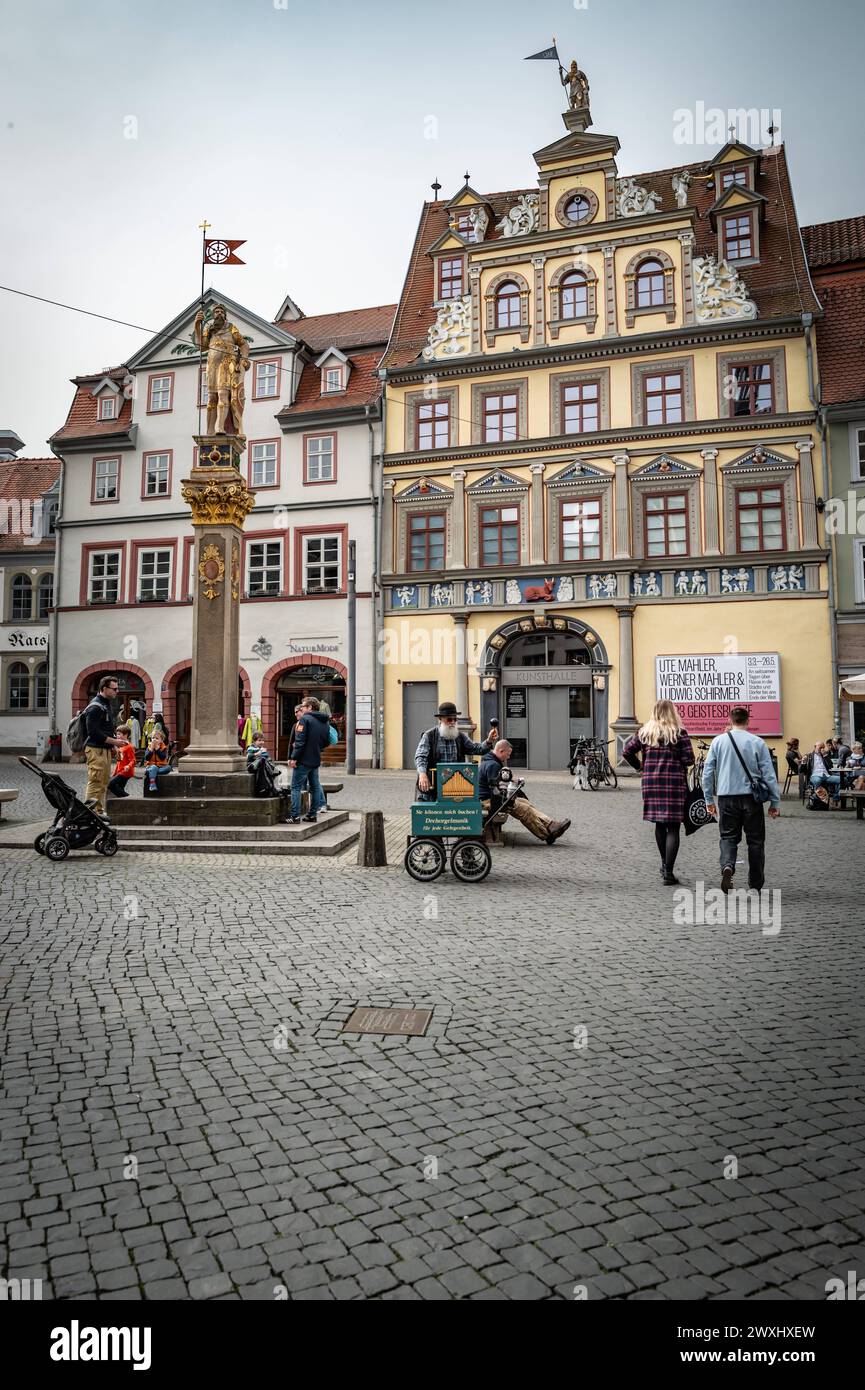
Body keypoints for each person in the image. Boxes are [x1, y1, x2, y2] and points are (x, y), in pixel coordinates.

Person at [702, 705, 780, 893]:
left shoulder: (718, 741)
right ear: (748, 721)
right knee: (755, 841)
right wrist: (774, 802)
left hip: (726, 796)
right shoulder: (757, 742)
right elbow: (769, 774)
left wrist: (708, 800)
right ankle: (755, 883)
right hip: (751, 798)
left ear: (730, 720)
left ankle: (728, 865)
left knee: (728, 837)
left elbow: (707, 773)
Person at [622, 701, 695, 886]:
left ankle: (664, 865)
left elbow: (627, 752)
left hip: (652, 783)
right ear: (672, 712)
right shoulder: (679, 733)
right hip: (673, 784)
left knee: (659, 825)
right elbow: (688, 760)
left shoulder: (645, 733)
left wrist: (640, 766)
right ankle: (669, 871)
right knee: (673, 827)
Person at [479, 740, 570, 845]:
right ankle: (547, 835)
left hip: (491, 798)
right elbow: (497, 790)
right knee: (524, 809)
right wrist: (511, 795)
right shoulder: (493, 765)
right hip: (488, 802)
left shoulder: (490, 761)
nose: (508, 757)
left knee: (525, 802)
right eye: (508, 754)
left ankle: (551, 825)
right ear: (501, 750)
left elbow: (497, 783)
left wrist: (513, 781)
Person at [414, 702, 498, 802]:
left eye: (455, 719)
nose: (453, 722)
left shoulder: (460, 736)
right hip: (433, 786)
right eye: (449, 719)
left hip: (454, 785)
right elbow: (420, 757)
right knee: (431, 815)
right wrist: (422, 774)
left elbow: (477, 748)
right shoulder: (429, 736)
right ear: (440, 719)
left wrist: (489, 741)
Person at [83, 675, 125, 818]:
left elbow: (106, 728)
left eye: (117, 688)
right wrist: (115, 742)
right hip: (95, 749)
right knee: (95, 781)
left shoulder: (106, 703)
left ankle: (99, 812)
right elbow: (93, 732)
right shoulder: (95, 707)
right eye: (114, 689)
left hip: (104, 749)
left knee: (104, 782)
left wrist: (113, 747)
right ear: (104, 688)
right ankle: (89, 813)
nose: (116, 691)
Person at [288, 697, 330, 823]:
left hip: (303, 760)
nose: (301, 708)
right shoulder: (324, 721)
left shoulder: (304, 719)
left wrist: (294, 757)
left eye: (304, 706)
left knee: (295, 787)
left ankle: (294, 816)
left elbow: (299, 742)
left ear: (310, 707)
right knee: (315, 787)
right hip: (315, 759)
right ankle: (312, 815)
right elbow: (326, 742)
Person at [804, 740, 841, 807]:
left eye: (823, 747)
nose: (822, 749)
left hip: (826, 775)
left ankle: (835, 798)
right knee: (818, 781)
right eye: (820, 747)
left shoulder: (825, 754)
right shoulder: (809, 756)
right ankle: (821, 801)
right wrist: (803, 762)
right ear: (815, 747)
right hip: (815, 775)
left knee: (842, 780)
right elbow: (801, 770)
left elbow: (831, 766)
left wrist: (825, 756)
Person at [108, 725, 137, 798]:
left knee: (110, 785)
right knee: (120, 789)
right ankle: (125, 801)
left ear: (126, 735)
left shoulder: (129, 747)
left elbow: (133, 760)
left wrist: (128, 766)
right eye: (117, 734)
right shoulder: (120, 746)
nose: (117, 736)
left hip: (125, 772)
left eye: (119, 734)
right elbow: (119, 761)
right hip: (120, 771)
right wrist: (115, 773)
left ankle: (129, 798)